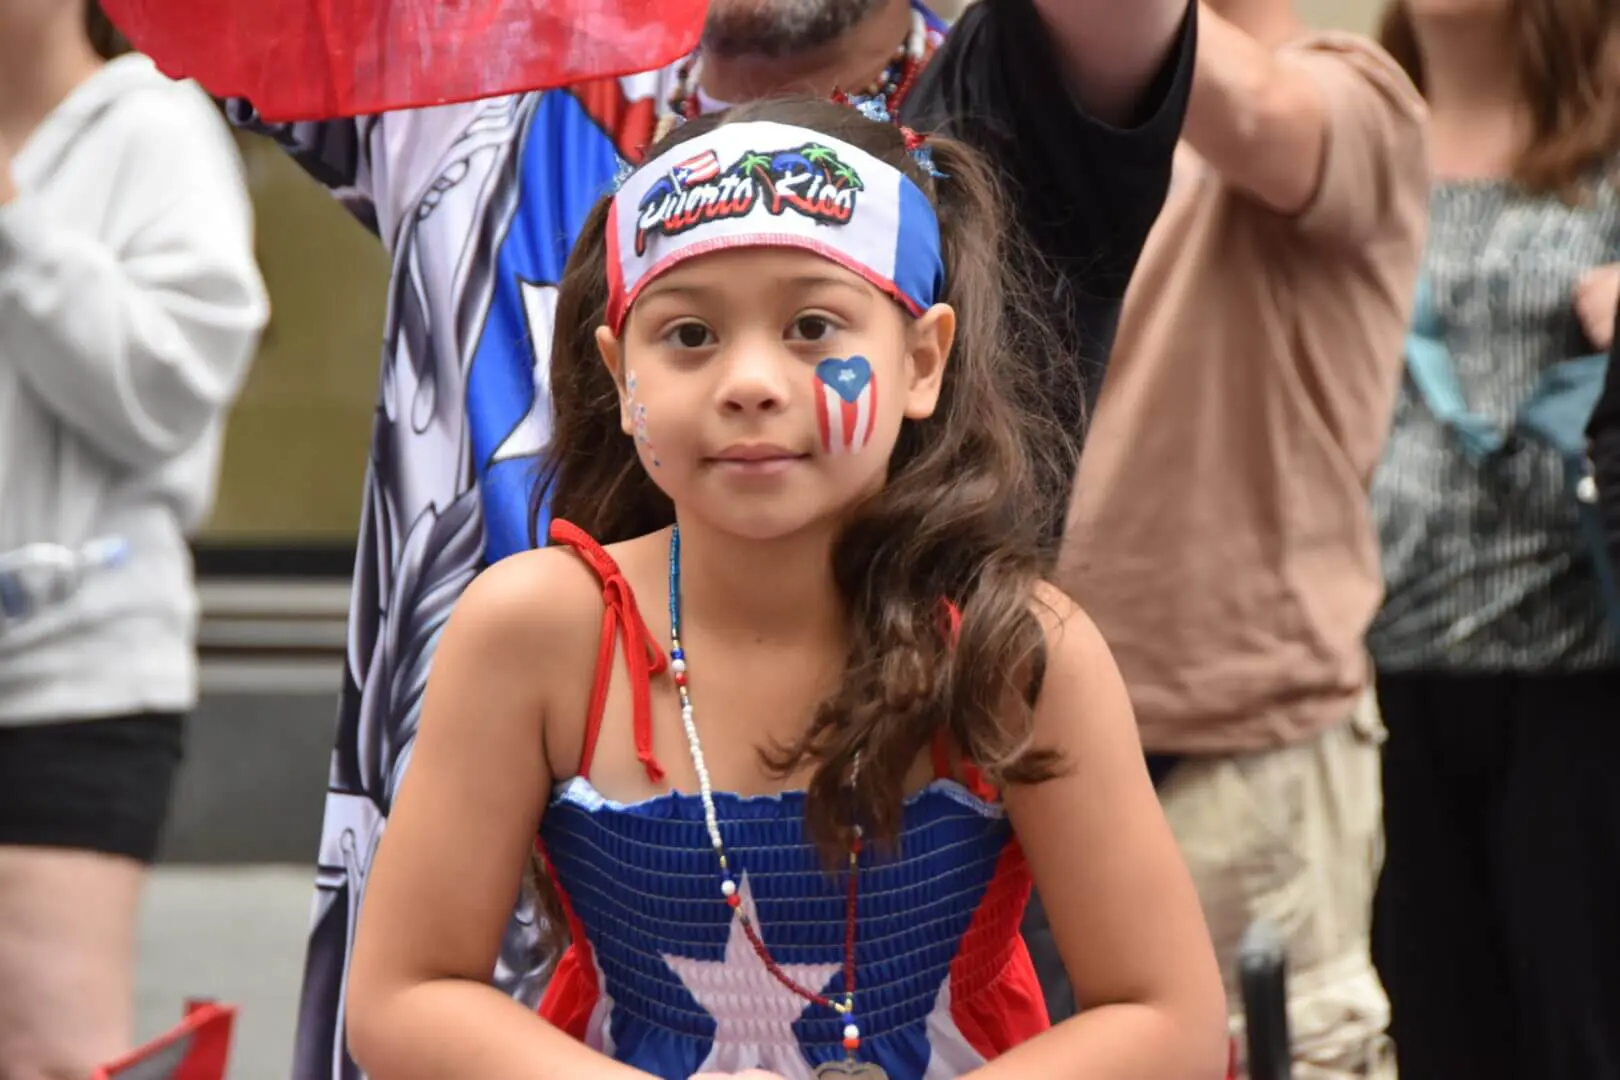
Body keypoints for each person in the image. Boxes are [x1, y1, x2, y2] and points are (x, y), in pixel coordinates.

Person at [218, 0, 1196, 1067]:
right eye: (688, 336)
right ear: (618, 373)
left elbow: (1165, 1019)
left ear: (923, 361)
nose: (748, 384)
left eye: (814, 326)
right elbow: (406, 996)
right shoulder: (540, 630)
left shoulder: (1018, 649)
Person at [1052, 0, 1427, 1074]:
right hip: (1028, 758)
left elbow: (1259, 108)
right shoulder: (1030, 115)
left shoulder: (1359, 99)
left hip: (1243, 764)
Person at [0, 0, 268, 1076]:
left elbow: (169, 387)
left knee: (50, 1045)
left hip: (69, 680)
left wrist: (13, 220)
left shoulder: (153, 127)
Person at [1366, 1, 1620, 1077]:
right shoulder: (1345, 140)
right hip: (1372, 671)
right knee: (1423, 1028)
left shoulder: (1604, 155)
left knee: (1575, 1028)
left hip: (1572, 669)